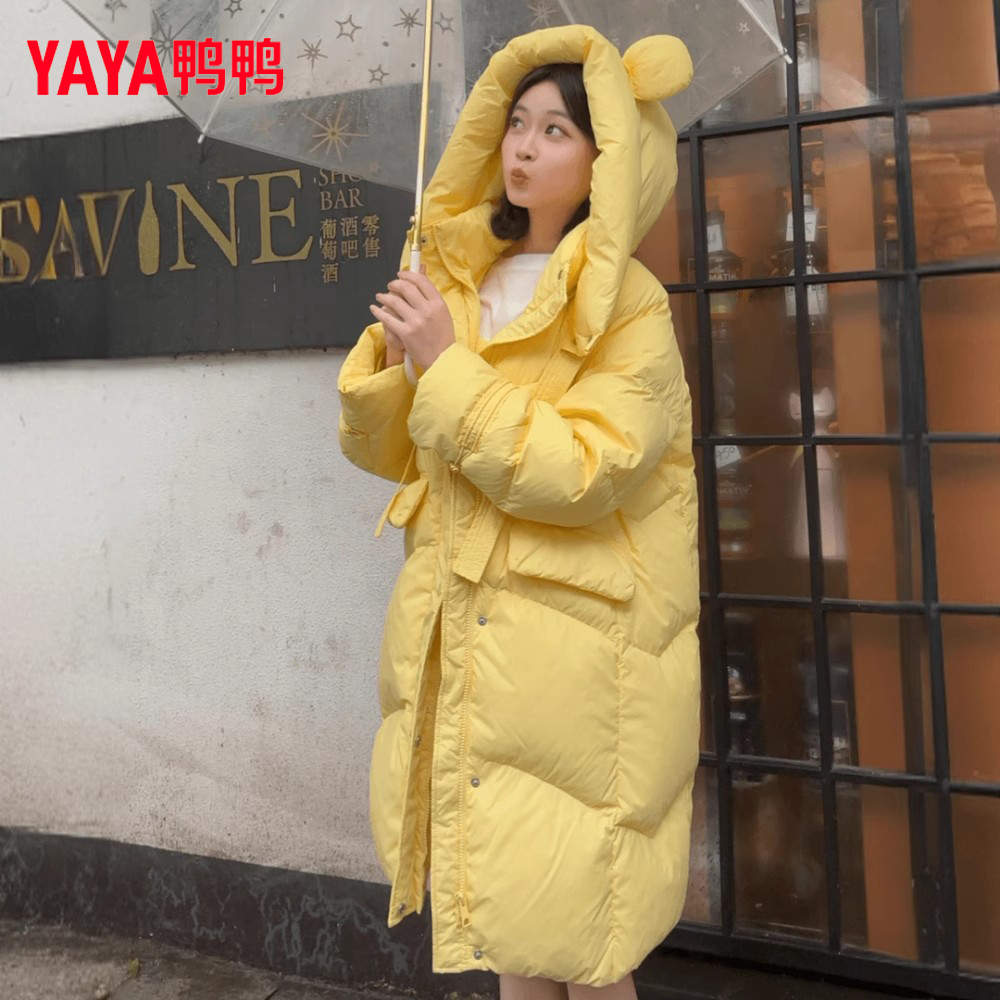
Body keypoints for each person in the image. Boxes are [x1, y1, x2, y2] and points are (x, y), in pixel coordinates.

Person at [337, 25, 699, 1000]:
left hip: (579, 658)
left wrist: (446, 366)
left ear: (604, 162)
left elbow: (585, 469)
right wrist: (394, 365)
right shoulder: (458, 282)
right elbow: (395, 456)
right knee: (510, 926)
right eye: (517, 123)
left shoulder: (630, 305)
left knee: (588, 947)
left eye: (556, 130)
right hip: (470, 640)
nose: (525, 147)